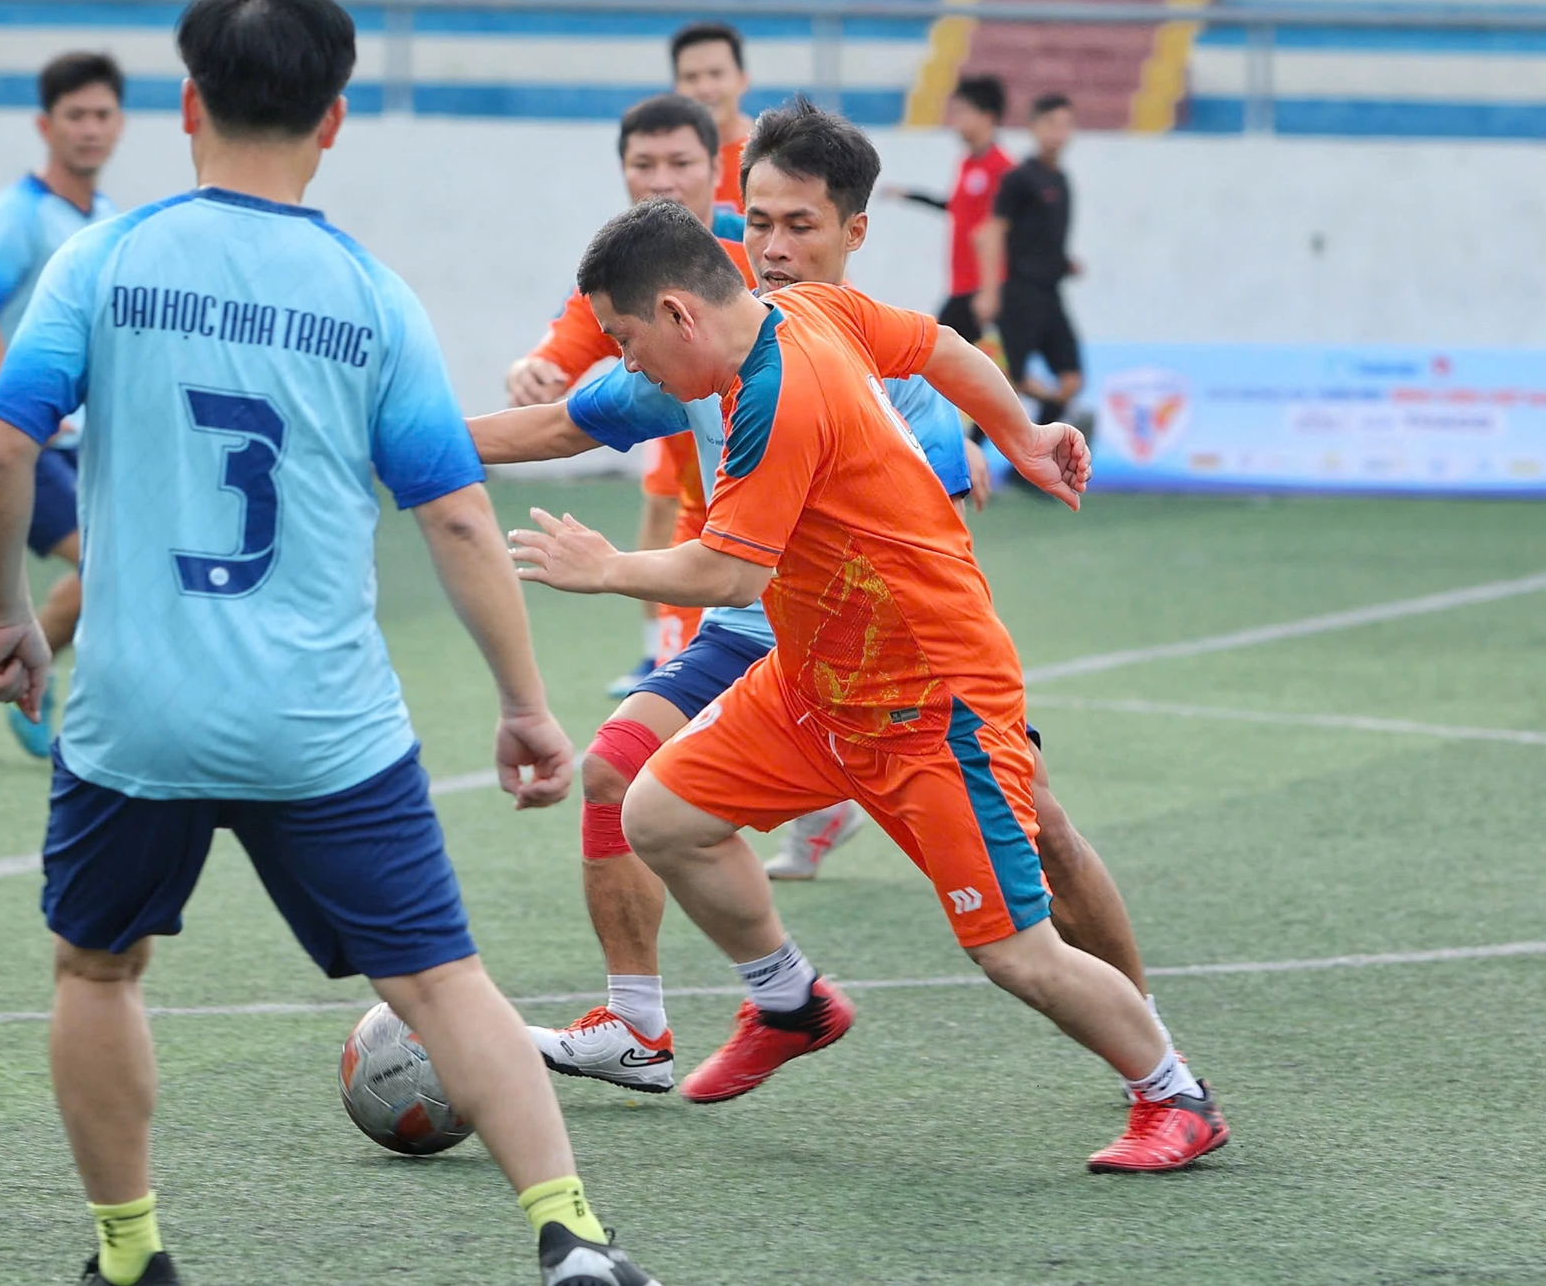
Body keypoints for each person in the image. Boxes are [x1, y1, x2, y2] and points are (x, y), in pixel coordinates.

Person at [0, 0, 658, 1286]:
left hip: (137, 714)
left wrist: (9, 619)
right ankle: (572, 1242)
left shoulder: (103, 260)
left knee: (99, 971)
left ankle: (130, 1258)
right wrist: (523, 702)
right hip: (321, 719)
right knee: (443, 979)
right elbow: (454, 515)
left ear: (184, 107)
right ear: (334, 119)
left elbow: (1, 452)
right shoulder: (369, 295)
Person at [508, 198, 1229, 1174]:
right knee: (660, 815)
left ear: (678, 313)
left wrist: (605, 569)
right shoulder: (807, 308)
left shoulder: (777, 391)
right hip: (815, 680)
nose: (629, 366)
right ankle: (788, 997)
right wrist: (1017, 434)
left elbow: (729, 575)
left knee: (1011, 949)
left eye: (629, 343)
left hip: (932, 697)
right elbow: (940, 347)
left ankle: (1173, 1093)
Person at [501, 94, 746, 698]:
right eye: (644, 164)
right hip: (701, 531)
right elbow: (556, 365)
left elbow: (870, 346)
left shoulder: (766, 252)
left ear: (718, 170)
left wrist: (945, 433)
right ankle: (651, 656)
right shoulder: (614, 280)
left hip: (793, 540)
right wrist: (532, 370)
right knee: (641, 754)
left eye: (680, 162)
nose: (661, 180)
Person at [0, 51, 125, 758]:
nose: (89, 129)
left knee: (119, 564)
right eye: (75, 115)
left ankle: (41, 663)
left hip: (77, 440)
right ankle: (36, 668)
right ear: (44, 125)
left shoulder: (111, 219)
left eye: (102, 115)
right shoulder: (16, 215)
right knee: (110, 561)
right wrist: (24, 405)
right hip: (15, 442)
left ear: (121, 124)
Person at [881, 73, 1012, 349]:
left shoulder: (1002, 168)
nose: (956, 121)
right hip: (962, 282)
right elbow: (958, 208)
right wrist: (910, 195)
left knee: (944, 351)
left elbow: (1005, 228)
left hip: (985, 287)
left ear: (987, 117)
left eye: (963, 113)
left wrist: (990, 290)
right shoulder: (966, 164)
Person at [978, 93, 1084, 423]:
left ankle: (1029, 462)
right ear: (1034, 128)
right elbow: (992, 233)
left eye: (1067, 124)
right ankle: (979, 451)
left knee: (1072, 379)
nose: (1060, 132)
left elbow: (1040, 236)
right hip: (1021, 293)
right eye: (1052, 123)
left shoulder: (1062, 180)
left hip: (1051, 293)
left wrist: (1064, 263)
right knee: (1012, 380)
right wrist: (989, 291)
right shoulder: (1019, 179)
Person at [669, 21, 753, 214]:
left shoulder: (772, 154)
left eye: (716, 74)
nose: (704, 89)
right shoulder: (664, 161)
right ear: (676, 88)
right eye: (691, 77)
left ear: (742, 80)